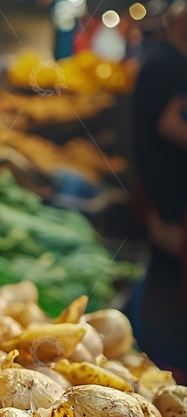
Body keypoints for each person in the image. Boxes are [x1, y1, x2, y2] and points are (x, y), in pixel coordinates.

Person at [132, 0, 187, 374]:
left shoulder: (159, 59)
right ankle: (163, 357)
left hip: (155, 178)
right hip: (165, 182)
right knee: (165, 275)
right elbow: (171, 123)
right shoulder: (172, 65)